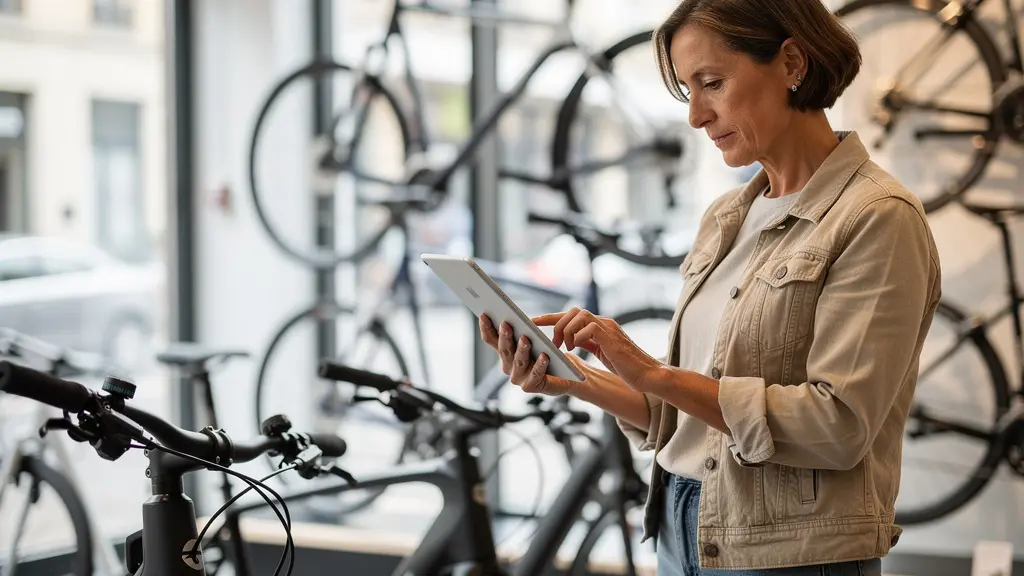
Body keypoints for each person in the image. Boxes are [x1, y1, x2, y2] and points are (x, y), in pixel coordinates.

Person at [478, 0, 942, 574]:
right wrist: (576, 378)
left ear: (791, 63)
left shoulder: (877, 217)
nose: (696, 116)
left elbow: (839, 426)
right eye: (687, 90)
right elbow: (689, 417)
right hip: (682, 526)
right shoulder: (725, 218)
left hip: (787, 555)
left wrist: (654, 373)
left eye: (713, 84)